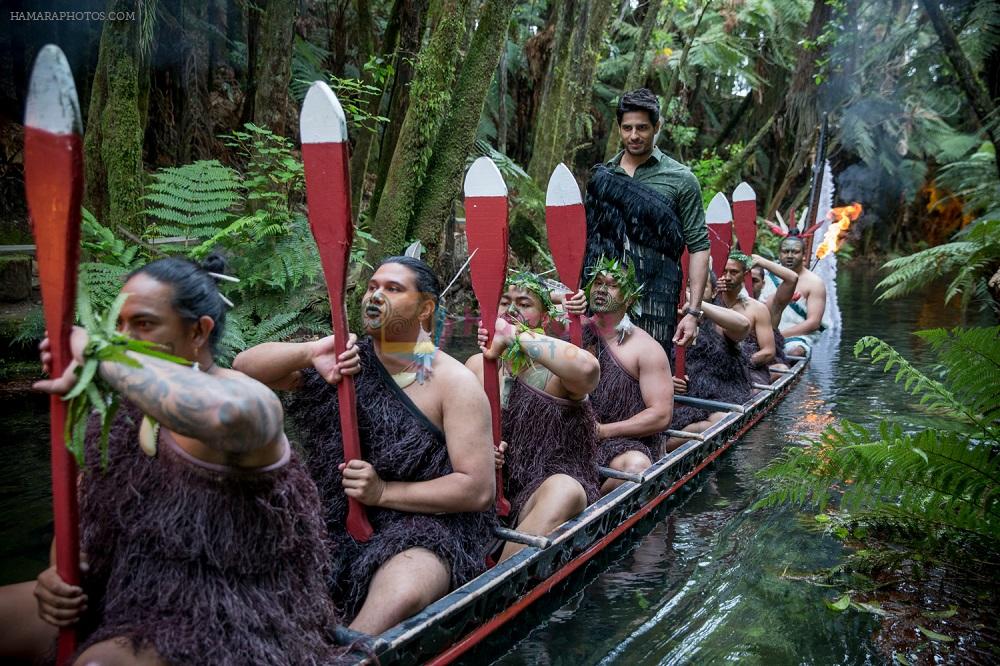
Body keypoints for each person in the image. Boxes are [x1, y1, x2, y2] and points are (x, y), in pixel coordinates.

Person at [0, 256, 342, 665]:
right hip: (119, 595)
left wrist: (97, 352)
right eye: (118, 326)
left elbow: (222, 417)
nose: (124, 339)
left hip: (227, 618)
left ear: (199, 331)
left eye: (143, 325)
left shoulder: (248, 400)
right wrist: (58, 577)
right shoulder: (114, 414)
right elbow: (78, 521)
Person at [233, 256, 496, 636]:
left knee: (403, 590)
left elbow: (477, 489)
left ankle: (350, 652)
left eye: (393, 289)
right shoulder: (343, 362)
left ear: (426, 308)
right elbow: (243, 369)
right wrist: (309, 353)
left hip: (430, 529)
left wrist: (383, 492)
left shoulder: (453, 383)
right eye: (373, 287)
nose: (376, 296)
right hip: (335, 520)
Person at [466, 271, 601, 561]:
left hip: (543, 485)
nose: (512, 310)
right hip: (488, 487)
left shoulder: (557, 370)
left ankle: (496, 586)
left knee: (566, 490)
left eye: (524, 303)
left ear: (543, 318)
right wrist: (479, 452)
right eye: (505, 302)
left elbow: (588, 370)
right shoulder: (477, 366)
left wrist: (511, 334)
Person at [584, 88, 711, 355]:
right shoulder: (605, 177)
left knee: (649, 370)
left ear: (657, 127)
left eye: (642, 128)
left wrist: (693, 312)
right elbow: (589, 239)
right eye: (627, 128)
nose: (633, 136)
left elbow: (699, 245)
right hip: (604, 296)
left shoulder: (681, 179)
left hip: (657, 299)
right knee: (600, 373)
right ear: (618, 128)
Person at [563, 256, 673, 493]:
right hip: (569, 436)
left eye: (613, 285)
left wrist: (603, 431)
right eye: (598, 282)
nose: (602, 289)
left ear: (630, 297)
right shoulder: (572, 329)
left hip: (622, 445)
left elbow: (661, 415)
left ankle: (592, 502)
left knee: (637, 468)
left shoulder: (647, 349)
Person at [665, 273, 752, 451]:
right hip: (678, 400)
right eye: (688, 287)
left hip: (718, 397)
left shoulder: (719, 322)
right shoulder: (667, 318)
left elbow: (743, 325)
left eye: (700, 287)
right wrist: (666, 381)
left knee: (720, 420)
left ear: (713, 293)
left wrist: (696, 305)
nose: (692, 291)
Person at [760, 233, 829, 356]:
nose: (790, 256)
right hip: (762, 332)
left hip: (795, 337)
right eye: (785, 251)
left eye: (795, 252)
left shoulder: (815, 283)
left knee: (796, 352)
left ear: (804, 255)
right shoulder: (765, 275)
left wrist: (779, 335)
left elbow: (813, 322)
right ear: (779, 254)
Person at [717, 250, 777, 386]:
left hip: (748, 369)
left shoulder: (758, 309)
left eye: (733, 272)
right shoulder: (709, 300)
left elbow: (768, 351)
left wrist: (739, 363)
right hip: (711, 367)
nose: (727, 277)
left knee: (754, 391)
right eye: (724, 271)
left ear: (744, 276)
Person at [750, 253, 798, 374]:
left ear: (763, 284)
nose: (749, 285)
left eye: (754, 281)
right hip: (735, 364)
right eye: (746, 280)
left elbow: (792, 279)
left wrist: (761, 261)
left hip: (764, 366)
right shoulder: (728, 302)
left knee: (781, 370)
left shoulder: (770, 306)